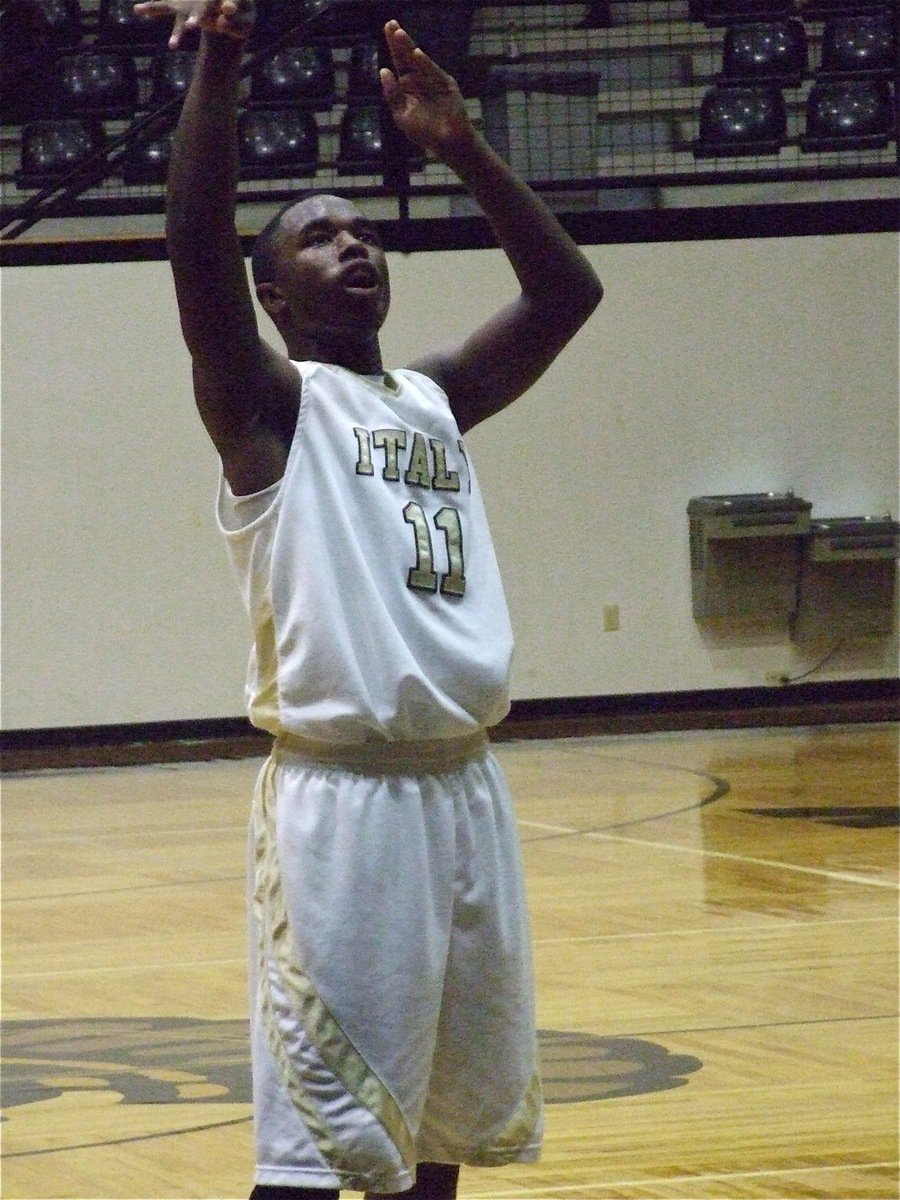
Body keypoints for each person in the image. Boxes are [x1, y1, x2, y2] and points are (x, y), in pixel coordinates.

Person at [132, 1, 603, 1196]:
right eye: (316, 239)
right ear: (274, 301)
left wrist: (464, 146)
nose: (354, 246)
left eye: (363, 230)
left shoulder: (434, 397)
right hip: (344, 807)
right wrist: (221, 72)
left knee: (437, 1137)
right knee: (319, 1146)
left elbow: (567, 296)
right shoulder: (269, 412)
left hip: (465, 792)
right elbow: (195, 251)